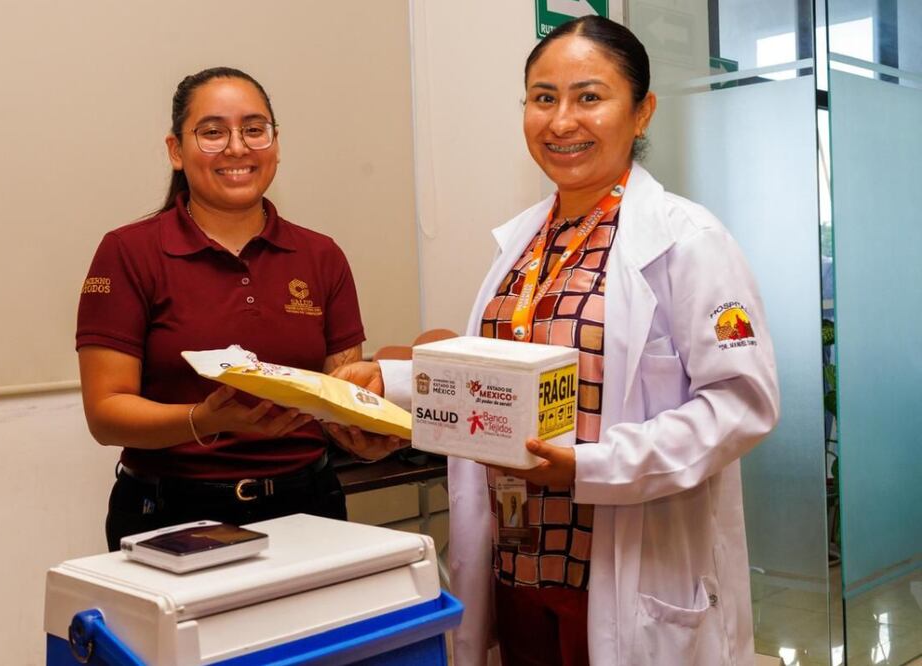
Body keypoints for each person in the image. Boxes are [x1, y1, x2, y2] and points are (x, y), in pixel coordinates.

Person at [333, 17, 780, 666]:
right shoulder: (522, 246)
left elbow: (742, 405)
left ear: (642, 111)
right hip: (516, 566)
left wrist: (592, 464)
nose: (561, 120)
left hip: (624, 580)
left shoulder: (689, 240)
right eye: (544, 98)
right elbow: (501, 375)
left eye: (589, 97)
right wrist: (390, 384)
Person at [76, 66, 392, 551]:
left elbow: (336, 396)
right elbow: (105, 415)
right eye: (212, 132)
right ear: (176, 151)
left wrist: (366, 433)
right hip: (174, 517)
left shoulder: (321, 256)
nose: (238, 147)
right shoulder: (129, 252)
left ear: (276, 144)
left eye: (253, 129)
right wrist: (205, 420)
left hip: (310, 507)